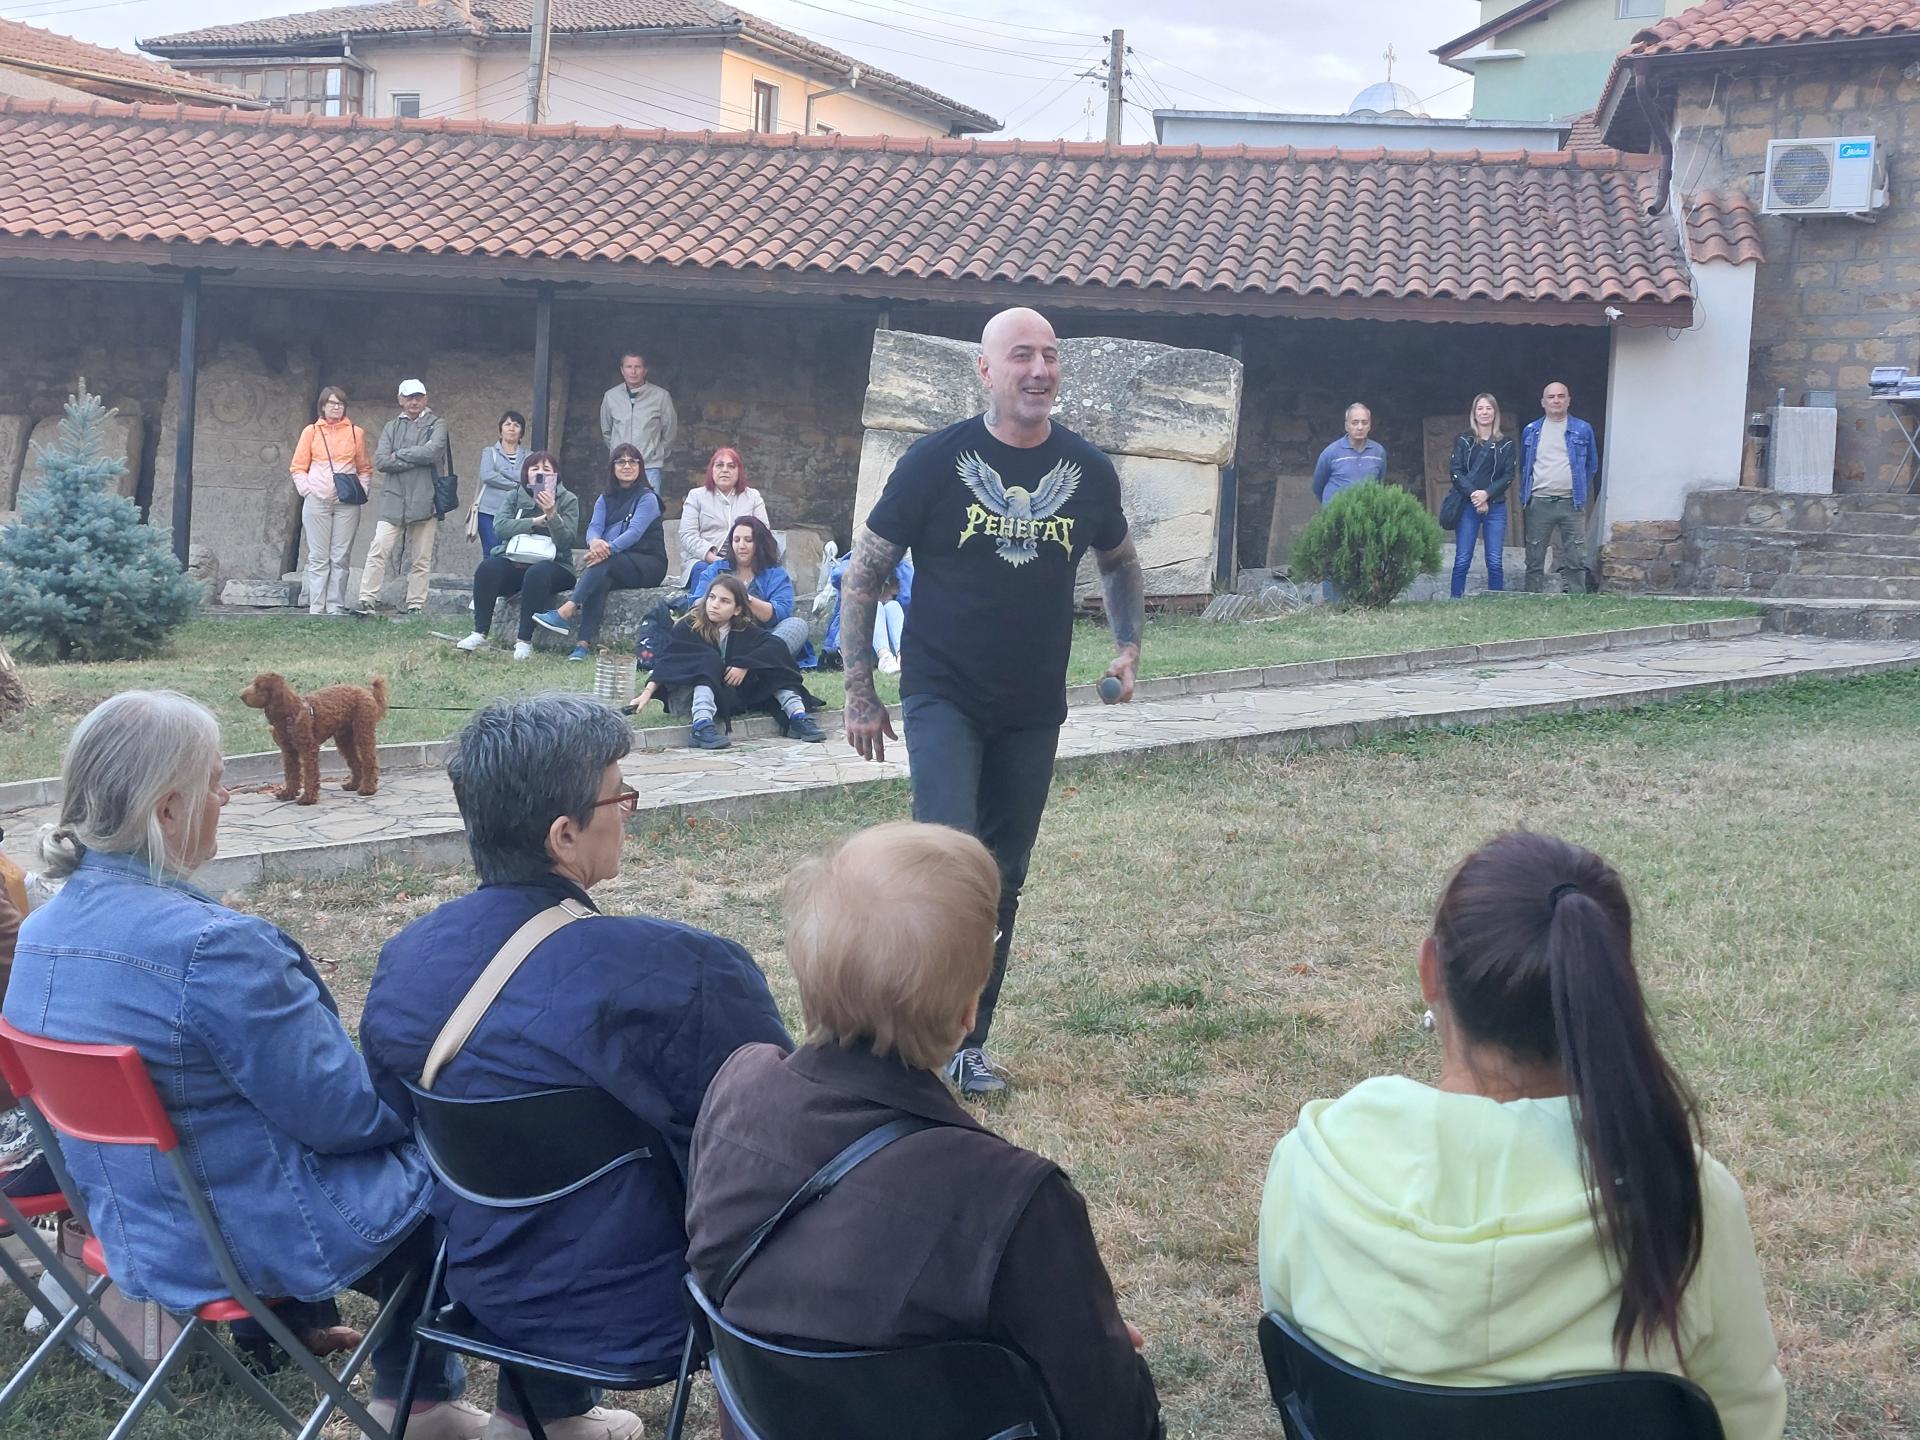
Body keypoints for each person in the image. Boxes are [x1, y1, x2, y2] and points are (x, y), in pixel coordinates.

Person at [5, 692, 481, 1440]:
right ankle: (431, 1401)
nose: (225, 798)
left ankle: (305, 1338)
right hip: (245, 1239)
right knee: (467, 1168)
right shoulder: (215, 947)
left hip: (134, 1228)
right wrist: (429, 1095)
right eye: (217, 781)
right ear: (167, 809)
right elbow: (344, 1117)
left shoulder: (41, 932)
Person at [360, 694, 791, 1440]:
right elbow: (772, 1140)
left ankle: (529, 1412)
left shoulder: (406, 962)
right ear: (564, 834)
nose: (628, 812)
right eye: (620, 797)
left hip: (476, 1283)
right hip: (648, 1308)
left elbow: (400, 1129)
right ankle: (544, 1413)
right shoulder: (684, 971)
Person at [1259, 831, 1786, 1440]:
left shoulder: (1309, 1163)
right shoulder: (1685, 1198)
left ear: (1430, 971)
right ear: (1609, 988)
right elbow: (1743, 1417)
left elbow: (1298, 1367)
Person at [685, 821, 1164, 1440]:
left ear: (805, 971)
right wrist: (1100, 1353)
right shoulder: (1015, 1197)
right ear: (968, 1011)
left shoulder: (736, 1088)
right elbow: (1118, 1425)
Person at [841, 306, 1144, 1098]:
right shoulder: (935, 461)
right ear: (985, 370)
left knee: (1004, 877)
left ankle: (965, 1044)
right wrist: (859, 693)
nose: (1039, 369)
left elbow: (1118, 561)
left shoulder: (1087, 470)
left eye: (1050, 355)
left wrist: (1127, 645)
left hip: (1032, 705)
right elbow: (864, 574)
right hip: (943, 693)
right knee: (948, 865)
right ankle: (906, 1037)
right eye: (1021, 355)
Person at [626, 573, 824, 748]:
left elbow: (774, 646)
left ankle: (798, 717)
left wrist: (745, 663)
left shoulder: (743, 629)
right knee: (708, 660)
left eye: (724, 601)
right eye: (711, 597)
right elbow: (668, 662)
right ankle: (701, 727)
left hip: (726, 695)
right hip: (689, 697)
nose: (715, 604)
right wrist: (646, 694)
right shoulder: (688, 626)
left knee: (769, 664)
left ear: (737, 609)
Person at [532, 444, 668, 663]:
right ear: (612, 467)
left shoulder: (648, 498)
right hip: (616, 560)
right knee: (601, 579)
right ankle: (582, 646)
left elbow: (634, 533)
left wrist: (607, 549)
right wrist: (595, 542)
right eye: (621, 461)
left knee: (604, 562)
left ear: (640, 467)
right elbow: (594, 527)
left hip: (648, 563)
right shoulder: (605, 498)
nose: (627, 466)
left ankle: (566, 610)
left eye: (632, 462)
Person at [456, 452, 581, 660]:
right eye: (535, 469)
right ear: (526, 474)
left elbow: (566, 541)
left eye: (546, 470)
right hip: (516, 560)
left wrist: (551, 514)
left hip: (555, 565)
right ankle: (479, 632)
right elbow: (500, 527)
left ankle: (524, 641)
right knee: (488, 568)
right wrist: (533, 522)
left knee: (537, 573)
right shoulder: (515, 495)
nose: (540, 473)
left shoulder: (568, 499)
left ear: (556, 475)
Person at [357, 378, 449, 619]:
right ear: (400, 400)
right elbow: (381, 461)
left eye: (418, 397)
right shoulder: (391, 426)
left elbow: (433, 452)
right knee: (378, 548)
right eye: (409, 397)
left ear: (426, 398)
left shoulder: (437, 423)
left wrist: (399, 454)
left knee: (421, 557)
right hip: (394, 499)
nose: (414, 402)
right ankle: (367, 598)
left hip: (425, 498)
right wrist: (414, 458)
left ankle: (416, 604)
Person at [291, 386, 373, 617]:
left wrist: (361, 490)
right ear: (323, 406)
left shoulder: (356, 433)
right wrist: (307, 490)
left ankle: (335, 606)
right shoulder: (311, 432)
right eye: (332, 403)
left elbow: (365, 467)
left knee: (340, 556)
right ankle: (317, 607)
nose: (336, 407)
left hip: (347, 502)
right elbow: (298, 466)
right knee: (318, 556)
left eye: (340, 403)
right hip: (317, 499)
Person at [687, 516, 811, 662]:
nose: (741, 545)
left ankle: (751, 664)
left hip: (761, 640)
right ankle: (746, 664)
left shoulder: (776, 574)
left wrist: (743, 598)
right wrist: (717, 600)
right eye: (736, 540)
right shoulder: (716, 569)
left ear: (760, 543)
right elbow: (696, 604)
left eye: (748, 540)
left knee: (797, 625)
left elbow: (781, 613)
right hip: (721, 635)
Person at [1520, 381, 1600, 594]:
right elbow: (1525, 466)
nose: (1556, 400)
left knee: (1576, 556)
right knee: (1534, 556)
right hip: (1539, 501)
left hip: (1571, 502)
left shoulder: (1582, 429)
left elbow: (1591, 464)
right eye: (1551, 397)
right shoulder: (1531, 431)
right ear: (1543, 402)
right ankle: (1532, 597)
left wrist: (1578, 486)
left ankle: (1576, 597)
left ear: (1568, 400)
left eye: (1561, 396)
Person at [1309, 403, 1387, 602]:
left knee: (1365, 560)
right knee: (1335, 560)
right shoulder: (1331, 453)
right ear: (1346, 425)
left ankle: (1363, 602)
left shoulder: (1378, 452)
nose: (1359, 427)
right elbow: (1318, 485)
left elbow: (1380, 482)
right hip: (1336, 518)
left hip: (1367, 519)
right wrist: (1332, 507)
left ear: (1370, 425)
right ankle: (1334, 604)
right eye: (1355, 422)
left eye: (1364, 422)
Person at [1447, 392, 1515, 599]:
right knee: (1462, 558)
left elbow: (1508, 475)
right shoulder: (1464, 440)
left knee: (1494, 560)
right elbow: (1456, 471)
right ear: (1474, 413)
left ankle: (1495, 600)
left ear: (1495, 412)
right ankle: (1455, 598)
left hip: (1496, 506)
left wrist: (1487, 494)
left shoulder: (1506, 444)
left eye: (1488, 408)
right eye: (1480, 408)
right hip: (1468, 505)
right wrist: (1475, 495)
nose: (1484, 412)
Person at [677, 447, 768, 576]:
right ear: (712, 470)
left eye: (731, 466)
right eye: (719, 465)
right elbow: (688, 535)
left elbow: (763, 532)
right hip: (703, 559)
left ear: (739, 472)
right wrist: (712, 558)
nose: (725, 470)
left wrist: (744, 559)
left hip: (745, 560)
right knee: (704, 572)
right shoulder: (696, 496)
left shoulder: (753, 497)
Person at [598, 351, 676, 492]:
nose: (633, 372)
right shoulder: (611, 396)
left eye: (637, 367)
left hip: (649, 466)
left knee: (649, 504)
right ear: (622, 370)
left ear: (645, 370)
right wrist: (618, 453)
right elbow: (607, 431)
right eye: (629, 367)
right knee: (621, 503)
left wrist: (657, 453)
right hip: (621, 466)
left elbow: (669, 431)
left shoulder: (661, 397)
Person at [824, 553, 912, 674]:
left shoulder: (903, 569)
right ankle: (885, 657)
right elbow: (838, 576)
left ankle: (903, 656)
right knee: (875, 606)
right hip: (857, 645)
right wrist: (872, 572)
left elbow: (911, 602)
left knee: (893, 606)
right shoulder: (854, 561)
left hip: (893, 641)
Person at [472, 410, 527, 560]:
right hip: (489, 512)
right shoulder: (489, 452)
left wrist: (502, 471)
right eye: (507, 424)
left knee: (513, 555)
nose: (511, 428)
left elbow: (528, 478)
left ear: (521, 433)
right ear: (500, 430)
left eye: (516, 425)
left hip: (516, 514)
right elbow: (487, 475)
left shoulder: (529, 455)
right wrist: (516, 485)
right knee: (492, 553)